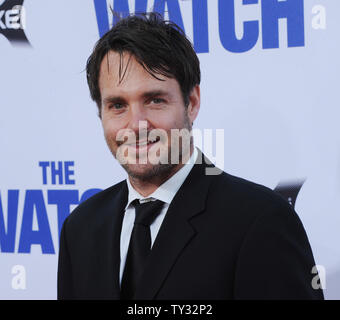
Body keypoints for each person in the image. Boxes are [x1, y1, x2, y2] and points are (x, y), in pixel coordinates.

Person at [57, 13, 324, 300]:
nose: (136, 125)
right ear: (101, 113)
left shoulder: (260, 221)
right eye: (117, 105)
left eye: (155, 100)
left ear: (192, 103)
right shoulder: (81, 227)